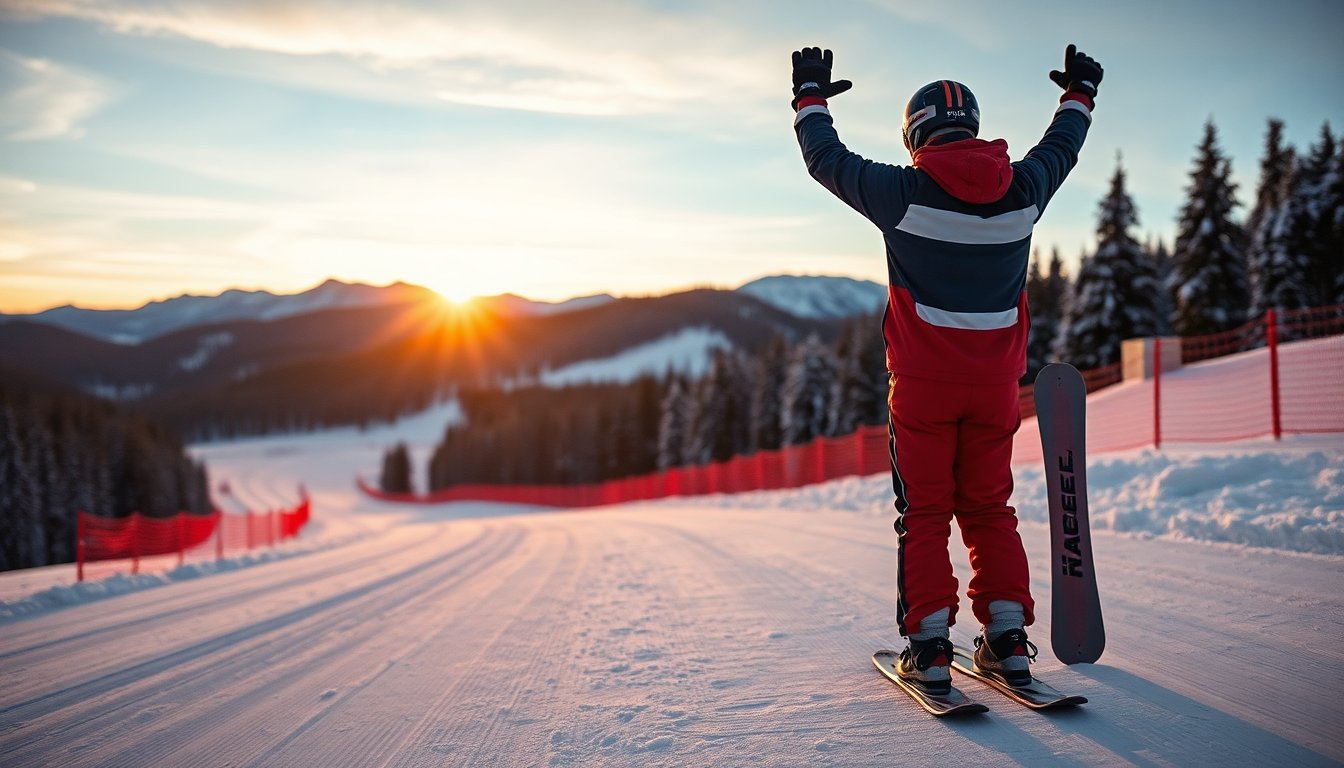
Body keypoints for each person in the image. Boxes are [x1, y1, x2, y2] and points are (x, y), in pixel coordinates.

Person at [790, 44, 1102, 693]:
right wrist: (1079, 92)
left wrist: (810, 96)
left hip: (923, 392)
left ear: (915, 134)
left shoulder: (903, 191)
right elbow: (1062, 147)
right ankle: (1009, 641)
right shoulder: (1022, 191)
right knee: (991, 508)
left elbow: (826, 160)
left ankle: (930, 647)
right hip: (995, 389)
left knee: (925, 513)